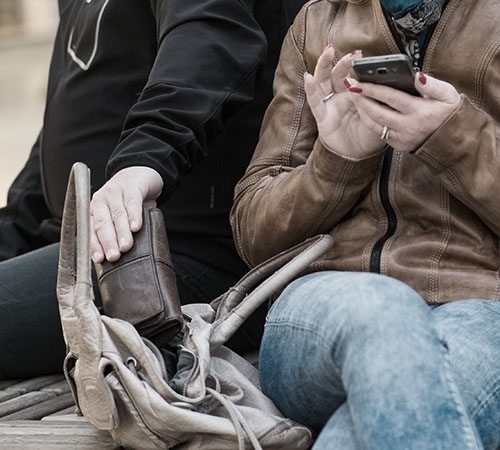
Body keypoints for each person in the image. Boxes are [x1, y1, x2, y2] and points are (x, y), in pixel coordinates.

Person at [230, 0, 500, 448]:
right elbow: (253, 233)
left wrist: (454, 138)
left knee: (356, 434)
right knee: (385, 311)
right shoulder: (317, 22)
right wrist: (335, 163)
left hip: (480, 308)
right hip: (326, 307)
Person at [0, 0, 307, 379]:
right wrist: (10, 236)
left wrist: (145, 158)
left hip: (176, 255)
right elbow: (71, 118)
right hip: (94, 246)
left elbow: (211, 32)